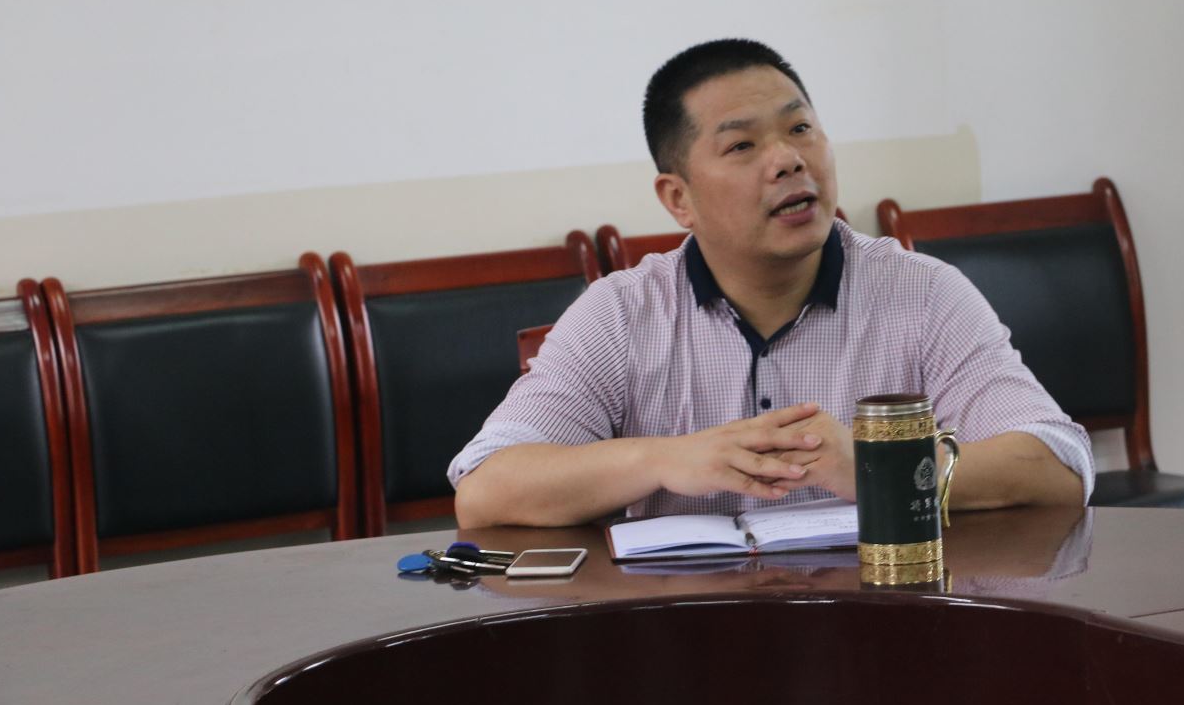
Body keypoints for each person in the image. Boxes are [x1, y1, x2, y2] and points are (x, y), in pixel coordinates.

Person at [450, 39, 1093, 526]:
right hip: (686, 641)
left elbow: (1057, 464)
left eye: (800, 129)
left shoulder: (921, 295)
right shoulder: (623, 314)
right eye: (742, 147)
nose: (788, 159)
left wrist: (881, 469)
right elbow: (485, 490)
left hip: (881, 627)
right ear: (679, 198)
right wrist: (665, 459)